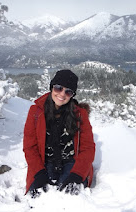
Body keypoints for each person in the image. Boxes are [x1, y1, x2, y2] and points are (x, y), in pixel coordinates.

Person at [23, 69, 95, 197]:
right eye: (58, 88)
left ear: (72, 95)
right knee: (38, 196)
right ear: (52, 87)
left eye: (68, 91)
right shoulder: (36, 112)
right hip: (46, 161)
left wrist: (77, 174)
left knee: (69, 196)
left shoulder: (80, 114)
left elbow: (88, 148)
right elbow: (30, 146)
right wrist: (39, 173)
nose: (62, 94)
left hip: (71, 162)